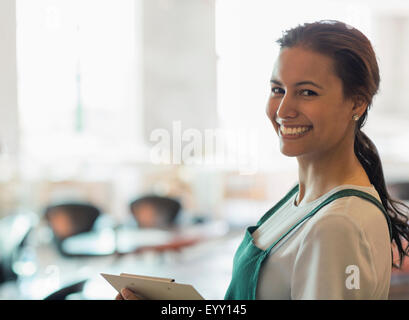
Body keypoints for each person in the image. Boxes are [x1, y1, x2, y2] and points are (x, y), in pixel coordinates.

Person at [116, 20, 409, 300]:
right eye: (277, 89)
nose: (283, 109)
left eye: (307, 92)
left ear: (357, 102)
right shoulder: (303, 199)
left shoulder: (338, 224)